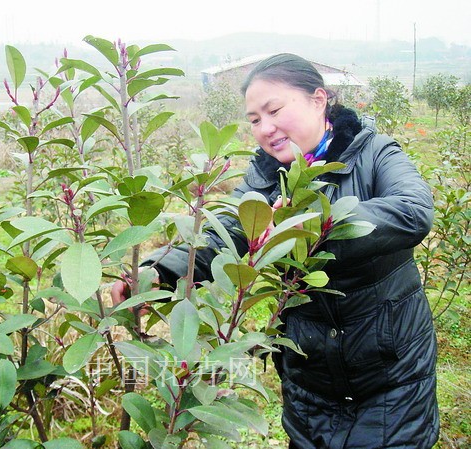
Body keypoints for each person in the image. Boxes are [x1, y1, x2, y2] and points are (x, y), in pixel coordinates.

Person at [112, 53, 439, 449]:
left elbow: (413, 210)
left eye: (274, 110)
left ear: (319, 99)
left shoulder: (373, 153)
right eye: (254, 120)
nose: (265, 128)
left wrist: (318, 225)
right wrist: (155, 272)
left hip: (392, 377)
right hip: (309, 379)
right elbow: (221, 238)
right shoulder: (264, 180)